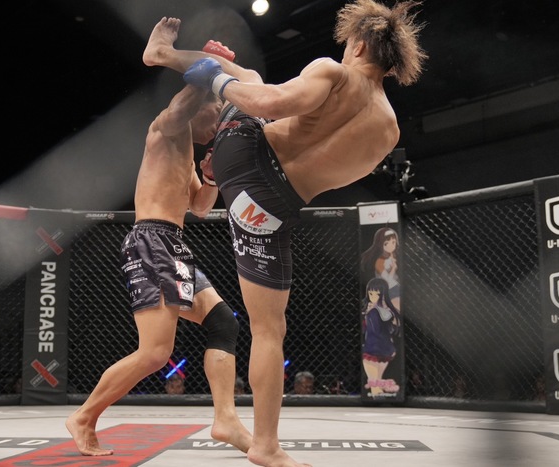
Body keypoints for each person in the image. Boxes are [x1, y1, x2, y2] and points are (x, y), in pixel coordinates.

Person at [143, 3, 426, 465]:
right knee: (269, 330)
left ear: (358, 45)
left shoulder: (334, 72)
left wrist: (215, 78)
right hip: (270, 205)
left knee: (250, 79)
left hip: (242, 155)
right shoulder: (388, 130)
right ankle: (265, 445)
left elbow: (270, 104)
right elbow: (333, 171)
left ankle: (166, 56)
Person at [65, 53, 252, 456]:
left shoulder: (187, 155)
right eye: (217, 109)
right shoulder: (167, 130)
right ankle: (83, 417)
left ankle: (226, 420)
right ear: (200, 104)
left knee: (223, 322)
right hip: (152, 240)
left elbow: (199, 208)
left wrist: (211, 178)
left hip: (174, 245)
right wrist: (206, 74)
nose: (219, 122)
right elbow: (178, 110)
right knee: (154, 353)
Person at [362, 278, 402, 398]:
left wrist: (373, 310)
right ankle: (379, 398)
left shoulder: (380, 311)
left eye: (377, 294)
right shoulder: (372, 310)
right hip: (380, 348)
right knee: (376, 383)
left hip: (375, 348)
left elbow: (384, 321)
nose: (373, 297)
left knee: (375, 384)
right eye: (371, 293)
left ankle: (379, 397)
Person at [361, 227, 400, 309]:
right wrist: (393, 269)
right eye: (386, 243)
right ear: (380, 244)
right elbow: (386, 281)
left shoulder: (393, 256)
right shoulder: (379, 262)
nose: (391, 245)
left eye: (393, 242)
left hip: (396, 287)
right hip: (386, 290)